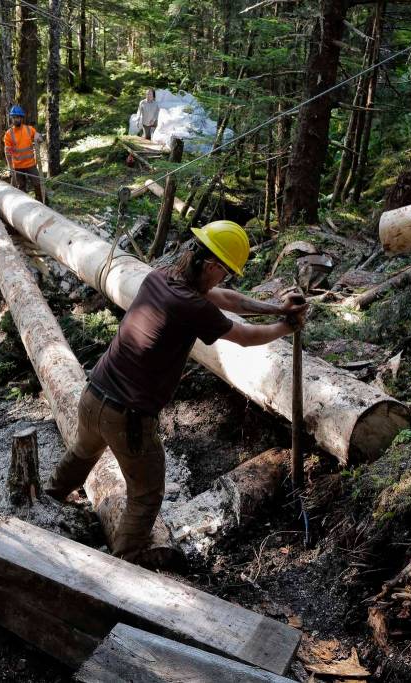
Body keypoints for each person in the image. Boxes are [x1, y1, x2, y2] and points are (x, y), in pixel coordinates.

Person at [45, 220, 308, 564]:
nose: (223, 280)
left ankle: (47, 501)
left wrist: (276, 309)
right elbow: (243, 336)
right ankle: (123, 564)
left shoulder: (164, 276)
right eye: (224, 272)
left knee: (82, 451)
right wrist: (284, 327)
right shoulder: (190, 305)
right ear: (212, 265)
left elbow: (225, 299)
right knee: (146, 495)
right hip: (129, 417)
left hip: (94, 394)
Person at [3, 104, 45, 203]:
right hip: (17, 166)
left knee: (38, 183)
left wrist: (39, 138)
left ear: (21, 118)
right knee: (21, 188)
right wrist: (11, 168)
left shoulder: (29, 129)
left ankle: (43, 202)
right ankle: (25, 206)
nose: (16, 119)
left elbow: (38, 136)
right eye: (14, 117)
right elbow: (8, 152)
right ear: (11, 119)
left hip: (31, 164)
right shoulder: (9, 134)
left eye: (18, 117)